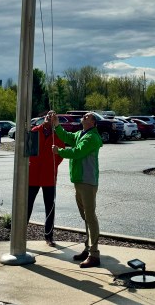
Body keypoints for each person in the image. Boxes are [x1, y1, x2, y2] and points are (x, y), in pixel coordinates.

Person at [52, 111, 103, 268]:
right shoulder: (81, 133)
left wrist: (59, 151)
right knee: (85, 217)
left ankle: (94, 254)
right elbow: (67, 137)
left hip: (88, 182)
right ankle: (88, 249)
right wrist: (56, 125)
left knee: (90, 216)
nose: (85, 116)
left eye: (88, 116)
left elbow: (77, 152)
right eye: (85, 115)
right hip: (79, 181)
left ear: (93, 123)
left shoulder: (92, 138)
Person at [28, 110, 65, 247]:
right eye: (48, 115)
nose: (49, 117)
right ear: (44, 118)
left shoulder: (58, 135)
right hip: (33, 175)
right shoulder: (35, 130)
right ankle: (21, 234)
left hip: (49, 175)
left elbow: (60, 154)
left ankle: (49, 236)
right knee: (27, 205)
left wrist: (51, 165)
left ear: (55, 120)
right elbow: (28, 150)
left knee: (50, 207)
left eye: (53, 116)